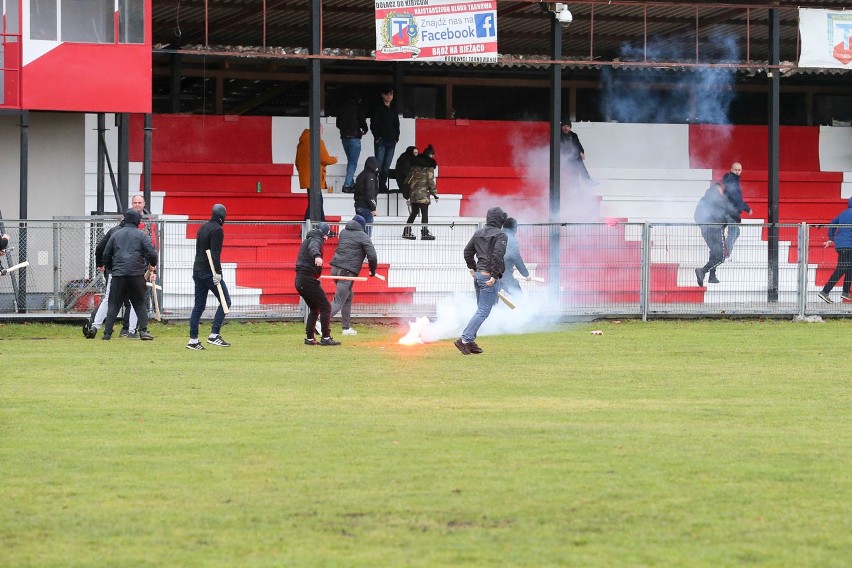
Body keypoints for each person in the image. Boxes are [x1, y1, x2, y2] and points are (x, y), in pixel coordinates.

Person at [454, 206, 509, 355]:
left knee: (481, 310)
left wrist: (473, 269)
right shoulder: (501, 235)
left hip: (479, 275)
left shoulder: (478, 233)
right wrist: (494, 276)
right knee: (483, 311)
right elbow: (497, 255)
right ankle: (464, 340)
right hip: (488, 277)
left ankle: (470, 340)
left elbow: (467, 252)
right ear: (500, 220)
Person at [100, 208, 158, 341]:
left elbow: (106, 254)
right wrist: (151, 265)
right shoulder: (142, 235)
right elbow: (152, 253)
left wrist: (112, 268)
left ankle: (107, 333)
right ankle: (143, 331)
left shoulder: (116, 234)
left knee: (114, 304)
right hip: (136, 274)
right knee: (139, 303)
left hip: (118, 274)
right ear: (137, 220)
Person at [187, 204, 232, 350]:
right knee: (226, 301)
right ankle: (214, 334)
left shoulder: (203, 227)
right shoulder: (217, 230)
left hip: (197, 270)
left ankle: (193, 340)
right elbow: (215, 253)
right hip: (209, 272)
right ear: (222, 216)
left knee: (199, 306)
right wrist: (218, 273)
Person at [325, 215, 378, 336]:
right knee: (338, 300)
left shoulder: (343, 232)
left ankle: (346, 328)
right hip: (347, 272)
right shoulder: (363, 236)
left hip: (335, 269)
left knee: (347, 296)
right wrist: (372, 270)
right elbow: (372, 256)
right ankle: (319, 320)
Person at [295, 222, 340, 346]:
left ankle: (310, 338)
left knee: (315, 309)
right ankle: (326, 337)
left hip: (300, 280)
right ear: (324, 235)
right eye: (327, 236)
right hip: (308, 279)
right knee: (326, 307)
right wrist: (317, 256)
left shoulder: (308, 239)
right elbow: (314, 247)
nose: (326, 239)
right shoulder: (316, 238)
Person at [693, 182, 739, 287]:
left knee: (715, 252)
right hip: (716, 230)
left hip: (705, 231)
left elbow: (696, 216)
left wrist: (703, 226)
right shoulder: (721, 199)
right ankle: (703, 271)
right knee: (722, 256)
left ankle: (712, 276)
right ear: (718, 189)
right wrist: (723, 224)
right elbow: (729, 214)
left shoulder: (703, 199)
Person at [295, 125, 338, 222]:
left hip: (306, 178)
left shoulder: (301, 143)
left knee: (315, 202)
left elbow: (297, 162)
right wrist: (335, 159)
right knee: (316, 202)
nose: (322, 133)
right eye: (322, 131)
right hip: (315, 177)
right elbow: (325, 159)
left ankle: (320, 227)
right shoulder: (318, 142)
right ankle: (310, 228)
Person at [818, 197, 852, 303]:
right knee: (841, 269)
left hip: (841, 245)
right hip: (848, 245)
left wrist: (832, 238)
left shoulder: (843, 213)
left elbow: (832, 224)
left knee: (850, 267)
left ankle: (846, 292)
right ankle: (825, 291)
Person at [402, 144, 439, 241]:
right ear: (430, 155)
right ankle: (424, 233)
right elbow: (430, 181)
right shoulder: (429, 166)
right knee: (424, 214)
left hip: (413, 193)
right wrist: (435, 194)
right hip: (423, 194)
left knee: (414, 213)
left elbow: (408, 178)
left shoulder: (415, 165)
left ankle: (407, 231)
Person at [336, 92, 368, 194]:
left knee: (350, 161)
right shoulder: (358, 108)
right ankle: (347, 185)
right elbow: (362, 121)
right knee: (353, 163)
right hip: (355, 138)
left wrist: (345, 130)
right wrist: (364, 129)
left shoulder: (342, 109)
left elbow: (338, 124)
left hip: (344, 138)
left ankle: (350, 182)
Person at [369, 86, 400, 193]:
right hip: (381, 141)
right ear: (382, 95)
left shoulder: (394, 109)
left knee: (386, 165)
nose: (389, 96)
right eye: (387, 94)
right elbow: (373, 124)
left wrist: (397, 137)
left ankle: (382, 185)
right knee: (379, 165)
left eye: (391, 94)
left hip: (392, 141)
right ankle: (376, 185)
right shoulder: (378, 108)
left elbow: (397, 124)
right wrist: (377, 137)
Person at [721, 162, 751, 256]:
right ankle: (725, 253)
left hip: (730, 211)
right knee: (733, 232)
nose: (737, 172)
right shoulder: (732, 180)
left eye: (739, 170)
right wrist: (747, 208)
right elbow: (736, 197)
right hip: (731, 211)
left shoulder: (732, 180)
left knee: (736, 232)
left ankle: (724, 249)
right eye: (735, 170)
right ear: (731, 170)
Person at [560, 120, 597, 187]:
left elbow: (578, 145)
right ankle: (587, 180)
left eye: (568, 126)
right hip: (562, 157)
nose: (566, 128)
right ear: (561, 127)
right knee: (577, 161)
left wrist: (582, 152)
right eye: (564, 126)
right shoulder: (558, 135)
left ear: (570, 127)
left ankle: (586, 181)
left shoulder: (573, 135)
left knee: (578, 161)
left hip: (572, 157)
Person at [500, 217, 530, 295]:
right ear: (514, 228)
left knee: (491, 302)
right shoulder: (511, 239)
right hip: (504, 275)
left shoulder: (497, 236)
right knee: (519, 296)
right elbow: (516, 258)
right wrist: (526, 274)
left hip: (491, 275)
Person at [352, 156, 379, 236]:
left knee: (359, 233)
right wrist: (373, 208)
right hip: (366, 208)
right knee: (366, 235)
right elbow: (370, 192)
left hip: (358, 206)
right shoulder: (370, 176)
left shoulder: (360, 175)